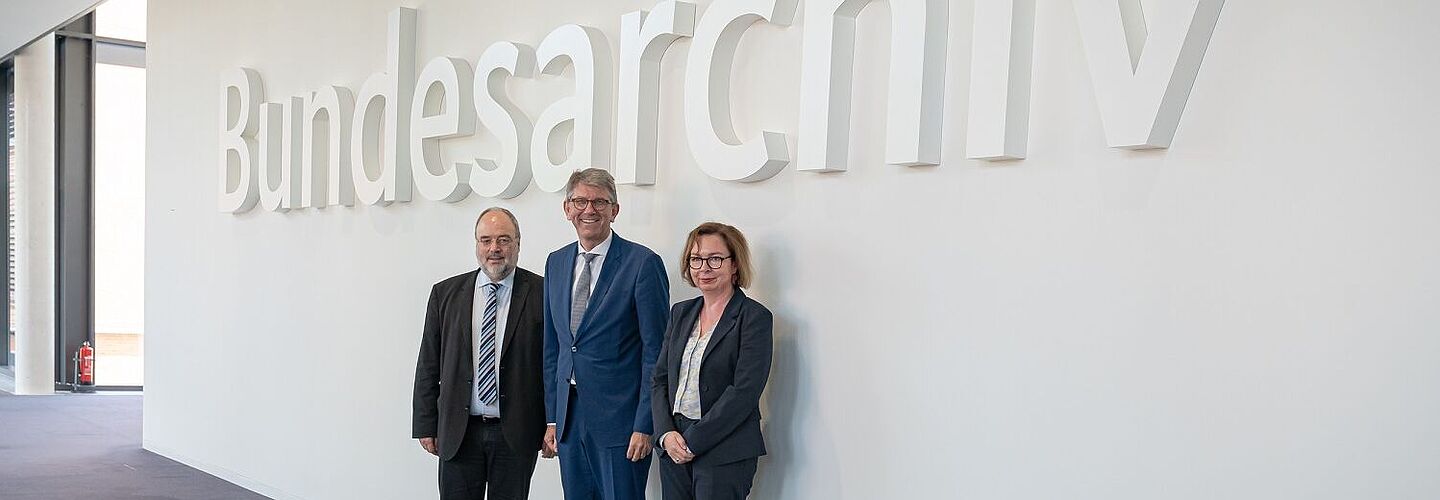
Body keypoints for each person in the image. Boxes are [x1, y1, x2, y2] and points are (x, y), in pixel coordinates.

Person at [543, 168, 670, 500]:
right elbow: (554, 348)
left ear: (615, 210)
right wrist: (553, 418)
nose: (590, 210)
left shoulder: (642, 264)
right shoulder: (555, 262)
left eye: (600, 201)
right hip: (569, 421)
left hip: (621, 423)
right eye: (581, 201)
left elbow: (655, 353)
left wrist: (645, 422)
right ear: (567, 208)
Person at [413, 207, 549, 500]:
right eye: (486, 240)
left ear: (518, 244)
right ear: (476, 244)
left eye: (503, 240)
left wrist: (553, 423)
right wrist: (425, 423)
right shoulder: (445, 293)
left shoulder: (542, 292)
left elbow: (552, 366)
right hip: (459, 433)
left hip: (516, 434)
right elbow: (428, 364)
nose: (494, 249)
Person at [651, 222, 773, 500]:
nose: (704, 267)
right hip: (674, 444)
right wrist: (666, 435)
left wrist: (694, 441)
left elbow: (745, 392)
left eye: (715, 259)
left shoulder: (753, 318)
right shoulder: (681, 313)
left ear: (734, 265)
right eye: (696, 259)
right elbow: (659, 379)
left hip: (724, 448)